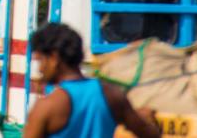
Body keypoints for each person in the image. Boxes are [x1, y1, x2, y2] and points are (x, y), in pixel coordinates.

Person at [23, 22, 159, 138]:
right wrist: (150, 119)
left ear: (53, 58)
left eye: (40, 60)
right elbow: (150, 134)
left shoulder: (47, 106)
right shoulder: (112, 94)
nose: (40, 69)